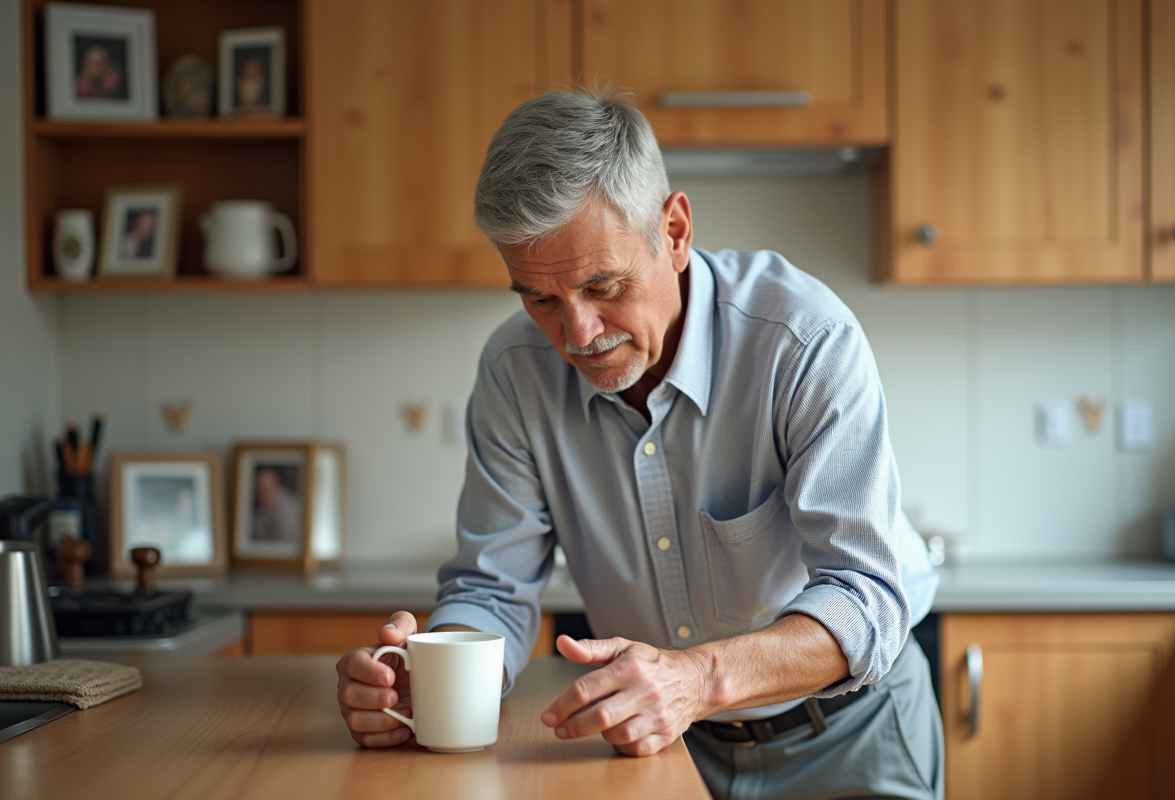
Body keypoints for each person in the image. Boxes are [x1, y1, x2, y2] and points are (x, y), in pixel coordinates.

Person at [336, 90, 943, 799]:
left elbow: (867, 596)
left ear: (676, 231)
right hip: (661, 749)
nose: (578, 334)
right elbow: (491, 589)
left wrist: (697, 679)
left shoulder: (803, 342)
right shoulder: (513, 373)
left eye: (603, 285)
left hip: (848, 734)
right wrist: (430, 681)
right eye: (538, 299)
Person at [253, 467, 301, 543]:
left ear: (275, 486)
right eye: (258, 489)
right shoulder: (261, 511)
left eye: (264, 489)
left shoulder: (290, 509)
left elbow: (283, 543)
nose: (260, 494)